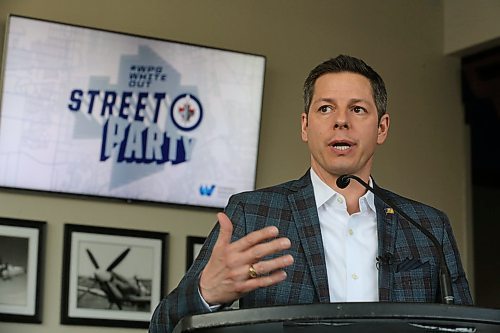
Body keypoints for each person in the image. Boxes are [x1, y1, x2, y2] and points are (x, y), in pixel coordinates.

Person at [149, 55, 473, 333]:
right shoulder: (253, 213)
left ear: (382, 128)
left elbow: (467, 327)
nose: (341, 121)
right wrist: (206, 292)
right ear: (305, 126)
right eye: (325, 109)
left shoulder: (428, 227)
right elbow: (163, 326)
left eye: (358, 109)